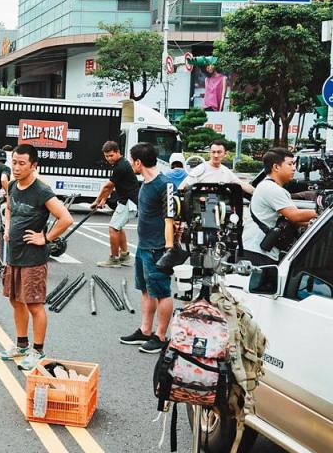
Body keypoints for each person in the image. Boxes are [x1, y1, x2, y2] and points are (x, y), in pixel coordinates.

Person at [0, 144, 73, 371]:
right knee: (15, 300)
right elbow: (9, 208)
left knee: (34, 305)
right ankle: (21, 346)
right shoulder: (12, 186)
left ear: (34, 166)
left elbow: (66, 218)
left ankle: (38, 351)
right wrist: (7, 226)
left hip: (33, 258)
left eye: (22, 163)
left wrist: (46, 238)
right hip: (14, 255)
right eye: (14, 163)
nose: (17, 168)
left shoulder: (42, 191)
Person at [120, 143, 175, 355]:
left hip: (158, 248)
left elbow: (171, 219)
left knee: (162, 292)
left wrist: (169, 249)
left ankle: (160, 336)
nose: (130, 164)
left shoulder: (164, 184)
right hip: (143, 246)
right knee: (145, 290)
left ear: (138, 162)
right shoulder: (145, 183)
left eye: (131, 160)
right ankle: (145, 330)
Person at [241, 147, 317, 266]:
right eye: (290, 164)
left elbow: (296, 220)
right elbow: (295, 216)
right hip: (256, 252)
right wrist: (322, 210)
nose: (294, 168)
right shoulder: (271, 189)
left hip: (259, 250)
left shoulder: (270, 187)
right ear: (276, 167)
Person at [91, 141, 138, 268]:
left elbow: (108, 186)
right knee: (118, 227)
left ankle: (114, 259)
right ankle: (124, 256)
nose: (108, 159)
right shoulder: (120, 164)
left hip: (128, 202)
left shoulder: (121, 167)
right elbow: (111, 187)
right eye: (106, 156)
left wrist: (96, 201)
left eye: (111, 155)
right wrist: (103, 200)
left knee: (113, 228)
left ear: (118, 152)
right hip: (128, 201)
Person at [179, 139, 254, 195]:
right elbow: (183, 186)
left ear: (225, 154)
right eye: (213, 152)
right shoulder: (200, 169)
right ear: (209, 153)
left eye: (219, 152)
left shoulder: (226, 171)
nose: (216, 155)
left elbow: (242, 184)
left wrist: (257, 193)